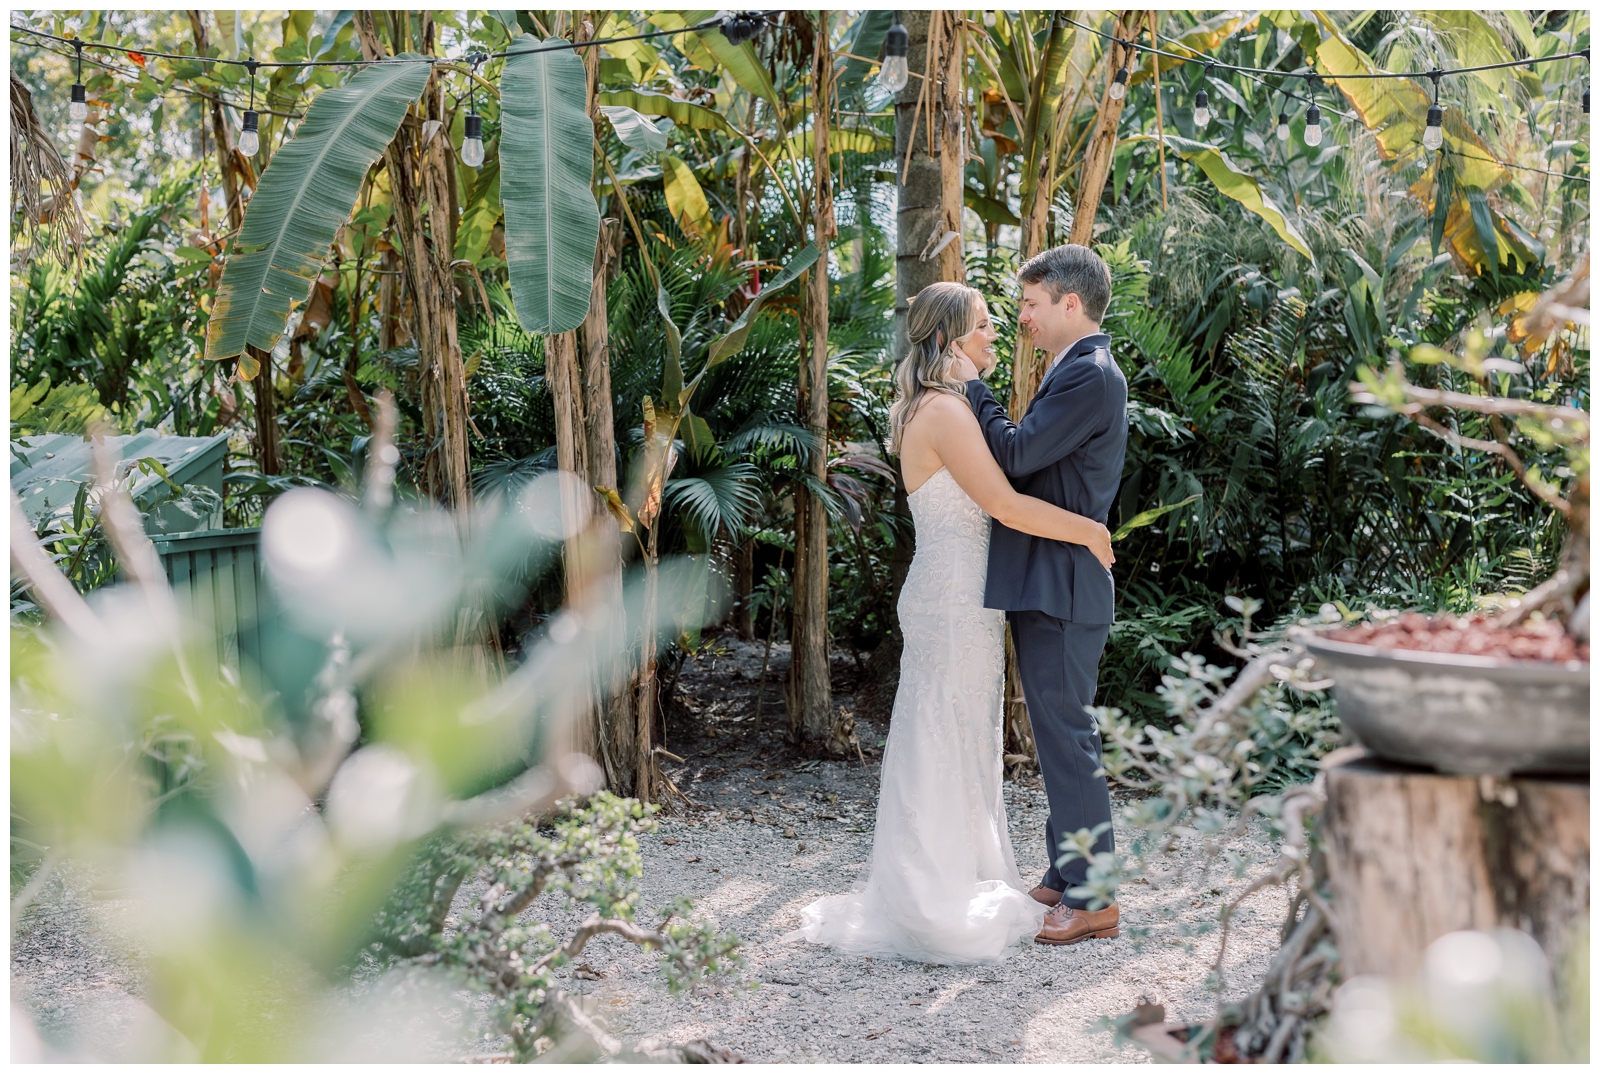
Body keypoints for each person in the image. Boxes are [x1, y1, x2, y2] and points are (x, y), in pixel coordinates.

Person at [793, 281, 1115, 964]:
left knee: (954, 734)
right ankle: (930, 897)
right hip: (954, 596)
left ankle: (950, 877)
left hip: (960, 593)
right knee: (944, 735)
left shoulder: (934, 405)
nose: (996, 335)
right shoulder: (945, 410)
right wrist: (1089, 531)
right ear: (949, 341)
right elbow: (1003, 502)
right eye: (983, 327)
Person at [949, 244, 1129, 946]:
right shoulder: (1072, 369)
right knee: (1059, 733)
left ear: (1070, 304)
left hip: (1063, 580)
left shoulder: (1089, 374)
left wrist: (973, 389)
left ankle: (1094, 896)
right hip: (1049, 576)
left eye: (1030, 303)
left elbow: (1018, 455)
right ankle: (1064, 871)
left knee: (1068, 735)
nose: (1021, 316)